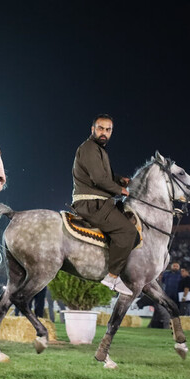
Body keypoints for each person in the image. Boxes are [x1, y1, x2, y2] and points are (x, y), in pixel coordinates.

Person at [71, 114, 136, 296]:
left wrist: (121, 180)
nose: (104, 132)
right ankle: (113, 276)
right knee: (128, 231)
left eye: (108, 130)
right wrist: (121, 190)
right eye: (100, 128)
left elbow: (104, 176)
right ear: (92, 129)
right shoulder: (90, 148)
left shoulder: (98, 150)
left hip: (98, 201)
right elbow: (99, 179)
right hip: (92, 203)